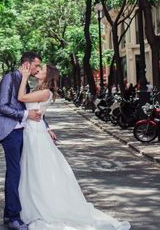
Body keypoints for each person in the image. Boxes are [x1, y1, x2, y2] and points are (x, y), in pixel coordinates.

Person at [18, 64, 130, 230]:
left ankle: (43, 204)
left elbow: (21, 98)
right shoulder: (42, 91)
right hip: (34, 131)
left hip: (35, 134)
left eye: (41, 70)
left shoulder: (44, 92)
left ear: (47, 76)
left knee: (38, 170)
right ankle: (35, 202)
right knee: (35, 170)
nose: (37, 70)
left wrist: (24, 77)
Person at [0, 52, 45, 230]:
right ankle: (13, 217)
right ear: (26, 64)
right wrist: (25, 114)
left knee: (16, 173)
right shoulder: (9, 78)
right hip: (11, 132)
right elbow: (3, 107)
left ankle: (9, 214)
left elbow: (32, 107)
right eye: (36, 65)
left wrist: (47, 127)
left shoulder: (25, 82)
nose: (38, 69)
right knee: (14, 173)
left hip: (23, 131)